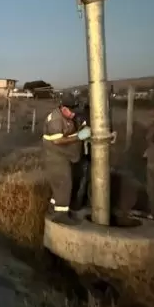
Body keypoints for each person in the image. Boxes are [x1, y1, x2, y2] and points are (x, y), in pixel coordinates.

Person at [42, 94, 91, 222]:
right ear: (63, 108)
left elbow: (74, 128)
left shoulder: (69, 116)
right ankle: (60, 215)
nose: (74, 114)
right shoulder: (55, 120)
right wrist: (79, 137)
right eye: (71, 111)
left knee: (59, 187)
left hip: (65, 157)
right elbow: (58, 140)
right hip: (56, 158)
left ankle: (52, 209)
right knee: (64, 184)